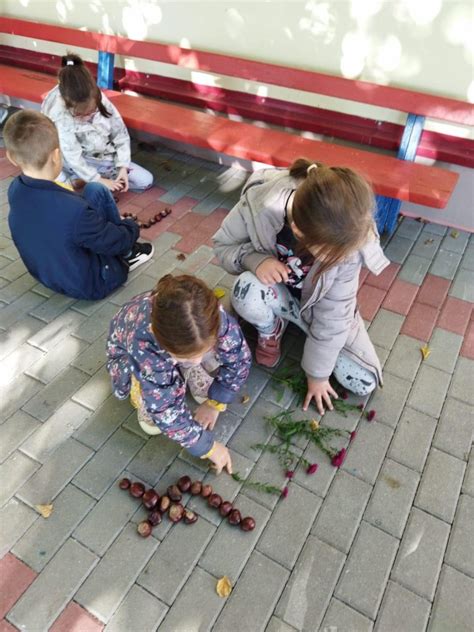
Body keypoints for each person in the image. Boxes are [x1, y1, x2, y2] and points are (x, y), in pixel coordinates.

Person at [213, 159, 390, 415]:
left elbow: (334, 315)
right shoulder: (260, 204)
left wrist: (317, 376)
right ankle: (271, 327)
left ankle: (298, 326)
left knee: (363, 382)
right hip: (273, 292)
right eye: (331, 253)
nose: (341, 258)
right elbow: (222, 246)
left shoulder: (349, 237)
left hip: (316, 308)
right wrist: (256, 260)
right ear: (297, 230)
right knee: (245, 290)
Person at [106, 274, 252, 474]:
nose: (199, 361)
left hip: (172, 350)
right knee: (155, 413)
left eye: (203, 353)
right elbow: (166, 412)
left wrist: (216, 403)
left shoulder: (213, 318)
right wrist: (207, 447)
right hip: (135, 359)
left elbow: (239, 358)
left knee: (213, 351)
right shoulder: (145, 344)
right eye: (188, 359)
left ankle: (185, 369)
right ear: (164, 346)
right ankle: (143, 387)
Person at [4, 109, 153, 300]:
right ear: (57, 155)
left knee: (94, 189)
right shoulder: (75, 211)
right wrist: (130, 226)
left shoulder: (16, 188)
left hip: (47, 274)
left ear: (11, 157)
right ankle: (129, 254)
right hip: (91, 283)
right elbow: (113, 240)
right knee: (115, 236)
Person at [41, 53, 153, 192]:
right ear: (67, 105)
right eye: (80, 115)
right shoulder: (59, 113)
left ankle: (83, 179)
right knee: (60, 186)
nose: (88, 118)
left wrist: (122, 167)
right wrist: (97, 179)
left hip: (103, 159)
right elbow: (73, 156)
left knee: (145, 181)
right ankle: (79, 179)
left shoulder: (97, 97)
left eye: (92, 112)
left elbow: (120, 134)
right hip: (69, 161)